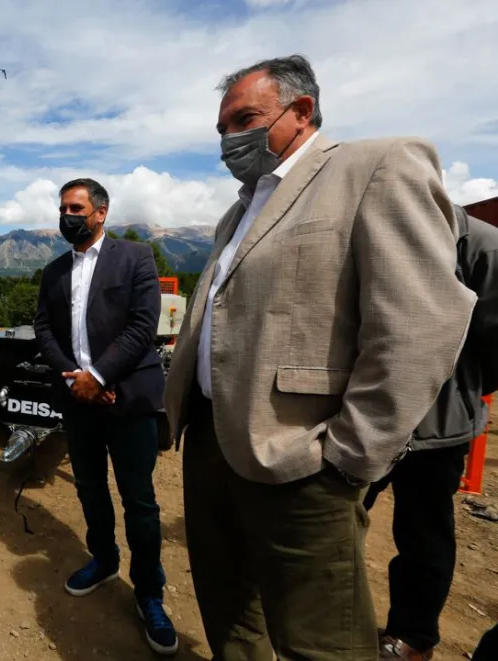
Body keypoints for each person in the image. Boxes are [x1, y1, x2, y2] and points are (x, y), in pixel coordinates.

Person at [162, 54, 477, 661]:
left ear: (301, 110)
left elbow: (418, 323)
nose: (231, 139)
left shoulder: (376, 166)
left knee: (320, 641)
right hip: (210, 443)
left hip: (300, 458)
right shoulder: (240, 207)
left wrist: (349, 457)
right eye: (222, 128)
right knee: (230, 613)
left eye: (245, 119)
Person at [34, 178, 177, 656]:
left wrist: (98, 375)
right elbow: (43, 327)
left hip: (128, 399)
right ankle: (103, 559)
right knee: (90, 487)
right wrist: (74, 378)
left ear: (100, 212)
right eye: (62, 208)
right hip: (79, 401)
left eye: (75, 207)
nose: (66, 216)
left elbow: (143, 325)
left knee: (139, 500)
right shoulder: (54, 270)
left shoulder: (135, 257)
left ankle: (150, 593)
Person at [365, 204, 498, 661]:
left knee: (423, 536)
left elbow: (495, 341)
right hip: (363, 417)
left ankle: (413, 637)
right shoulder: (375, 229)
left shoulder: (480, 245)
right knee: (336, 522)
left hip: (437, 426)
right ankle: (324, 616)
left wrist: (458, 389)